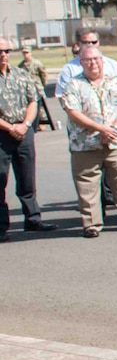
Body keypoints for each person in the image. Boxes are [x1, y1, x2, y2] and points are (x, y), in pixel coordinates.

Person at [59, 45, 117, 237]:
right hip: (85, 144)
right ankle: (92, 224)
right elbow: (73, 112)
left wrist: (113, 128)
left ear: (102, 60)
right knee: (87, 186)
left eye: (96, 59)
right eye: (88, 60)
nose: (93, 63)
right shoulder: (73, 84)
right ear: (81, 63)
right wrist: (100, 129)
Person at [0, 39, 53, 239]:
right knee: (0, 179)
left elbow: (33, 100)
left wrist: (25, 125)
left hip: (23, 131)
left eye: (6, 50)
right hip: (2, 132)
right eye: (0, 51)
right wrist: (10, 127)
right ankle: (1, 225)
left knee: (27, 178)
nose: (3, 54)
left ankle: (33, 218)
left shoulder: (21, 74)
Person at [20, 48, 53, 131]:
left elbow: (43, 74)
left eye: (27, 53)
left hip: (37, 87)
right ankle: (34, 123)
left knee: (41, 106)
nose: (26, 55)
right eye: (24, 53)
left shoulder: (37, 63)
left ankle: (42, 123)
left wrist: (43, 84)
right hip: (27, 89)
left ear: (30, 53)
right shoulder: (21, 66)